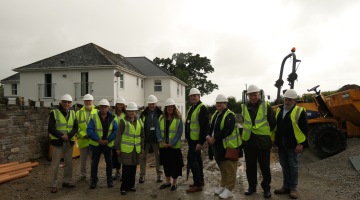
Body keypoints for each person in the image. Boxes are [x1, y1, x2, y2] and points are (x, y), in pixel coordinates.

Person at [271, 89, 309, 199]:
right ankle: (285, 186)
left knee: (293, 166)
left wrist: (301, 143)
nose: (287, 102)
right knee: (284, 165)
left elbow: (305, 129)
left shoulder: (300, 111)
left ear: (294, 101)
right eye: (286, 100)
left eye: (289, 100)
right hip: (281, 144)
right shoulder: (279, 110)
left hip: (293, 144)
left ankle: (293, 188)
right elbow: (276, 127)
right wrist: (274, 139)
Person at [241, 85, 276, 198]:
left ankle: (266, 188)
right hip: (249, 142)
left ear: (258, 95)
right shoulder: (244, 107)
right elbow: (245, 122)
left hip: (262, 142)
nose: (253, 97)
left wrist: (265, 134)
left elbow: (273, 123)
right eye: (251, 95)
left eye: (255, 95)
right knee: (250, 166)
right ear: (248, 96)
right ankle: (252, 187)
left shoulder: (266, 106)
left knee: (264, 167)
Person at [207, 94, 242, 199]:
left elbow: (228, 129)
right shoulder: (216, 115)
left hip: (230, 147)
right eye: (217, 103)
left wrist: (215, 138)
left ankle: (229, 189)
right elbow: (211, 127)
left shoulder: (229, 115)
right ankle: (223, 186)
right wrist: (208, 136)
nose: (218, 104)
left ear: (225, 104)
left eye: (220, 103)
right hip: (220, 146)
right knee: (223, 167)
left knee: (230, 168)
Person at [48, 94, 78, 193]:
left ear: (71, 104)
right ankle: (53, 184)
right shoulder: (54, 112)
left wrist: (68, 136)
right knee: (55, 164)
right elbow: (50, 128)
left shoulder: (73, 113)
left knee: (69, 163)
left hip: (69, 142)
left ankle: (66, 181)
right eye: (64, 102)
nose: (66, 104)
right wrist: (62, 136)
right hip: (57, 142)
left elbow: (75, 128)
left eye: (68, 102)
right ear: (61, 103)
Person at [114, 102, 145, 195]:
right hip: (126, 149)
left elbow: (142, 136)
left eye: (133, 111)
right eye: (130, 111)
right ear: (127, 111)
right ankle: (124, 187)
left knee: (133, 168)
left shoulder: (139, 121)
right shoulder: (123, 121)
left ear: (136, 111)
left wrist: (142, 147)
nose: (131, 113)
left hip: (136, 149)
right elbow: (118, 135)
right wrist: (117, 148)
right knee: (126, 169)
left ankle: (131, 185)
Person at [87, 99, 118, 189]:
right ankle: (94, 180)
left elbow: (115, 130)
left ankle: (109, 180)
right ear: (99, 108)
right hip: (96, 144)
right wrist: (98, 139)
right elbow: (89, 130)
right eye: (102, 107)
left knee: (109, 163)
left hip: (107, 144)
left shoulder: (112, 117)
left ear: (108, 108)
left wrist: (108, 140)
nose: (103, 108)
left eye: (105, 107)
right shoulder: (94, 117)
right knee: (94, 164)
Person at [156, 98, 184, 191]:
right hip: (164, 146)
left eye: (171, 106)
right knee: (166, 164)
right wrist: (162, 141)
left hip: (174, 147)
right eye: (168, 106)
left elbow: (179, 132)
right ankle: (167, 182)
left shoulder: (178, 118)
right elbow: (158, 131)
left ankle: (174, 183)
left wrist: (172, 143)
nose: (170, 108)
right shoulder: (161, 118)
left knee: (174, 165)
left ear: (174, 107)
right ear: (166, 107)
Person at [185, 88, 209, 193]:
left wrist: (200, 142)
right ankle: (201, 180)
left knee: (191, 159)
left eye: (194, 96)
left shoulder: (202, 108)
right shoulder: (191, 108)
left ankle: (197, 184)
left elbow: (204, 127)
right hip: (191, 139)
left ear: (199, 96)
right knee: (198, 159)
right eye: (191, 96)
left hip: (196, 141)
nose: (192, 97)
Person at [139, 95, 163, 183]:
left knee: (158, 157)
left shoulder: (161, 113)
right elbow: (140, 126)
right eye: (150, 104)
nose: (151, 106)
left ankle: (159, 175)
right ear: (147, 104)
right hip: (145, 139)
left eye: (153, 104)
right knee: (143, 157)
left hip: (157, 138)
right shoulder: (143, 114)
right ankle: (142, 175)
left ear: (156, 104)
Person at [76, 94, 97, 182]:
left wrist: (92, 135)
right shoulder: (78, 113)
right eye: (86, 101)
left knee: (94, 160)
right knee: (83, 160)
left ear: (93, 102)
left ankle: (93, 175)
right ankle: (83, 175)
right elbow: (75, 127)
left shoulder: (97, 112)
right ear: (84, 102)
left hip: (93, 140)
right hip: (83, 140)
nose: (88, 102)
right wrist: (84, 135)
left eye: (89, 101)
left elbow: (99, 126)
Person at [112, 97, 127, 181]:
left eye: (121, 104)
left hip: (124, 138)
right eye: (118, 104)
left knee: (124, 156)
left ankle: (123, 174)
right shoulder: (113, 115)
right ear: (116, 105)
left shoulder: (126, 115)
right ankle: (118, 172)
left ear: (123, 105)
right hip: (115, 138)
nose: (120, 106)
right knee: (116, 156)